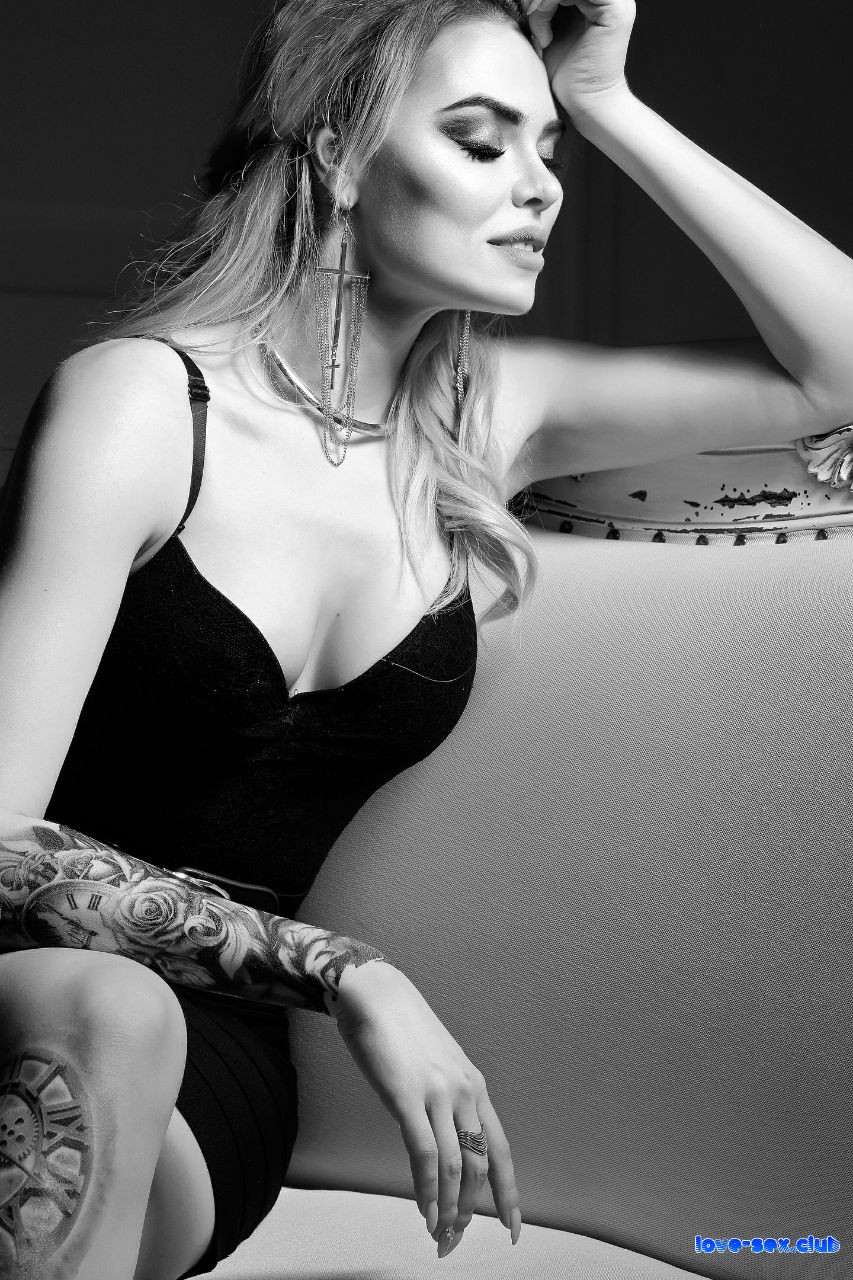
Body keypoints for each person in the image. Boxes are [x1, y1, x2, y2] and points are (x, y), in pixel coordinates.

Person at [2, 1, 853, 1277]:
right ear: (338, 156)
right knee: (104, 1004)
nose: (540, 189)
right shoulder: (145, 402)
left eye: (548, 151)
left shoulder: (485, 420)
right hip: (34, 979)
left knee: (130, 1031)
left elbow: (841, 368)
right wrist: (346, 969)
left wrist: (609, 102)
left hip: (221, 1064)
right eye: (481, 141)